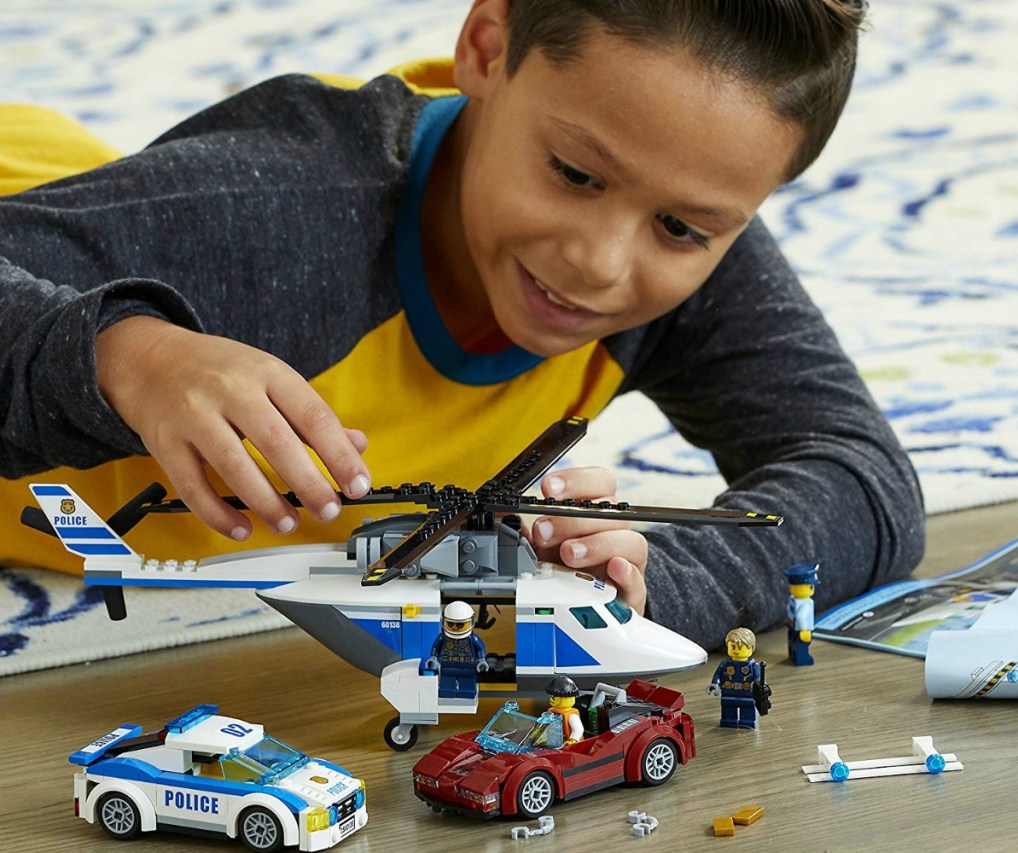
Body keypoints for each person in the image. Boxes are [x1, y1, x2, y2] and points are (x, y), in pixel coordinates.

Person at [0, 0, 924, 653]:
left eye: (684, 228)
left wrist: (648, 579)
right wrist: (129, 352)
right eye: (573, 172)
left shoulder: (673, 212)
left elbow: (864, 479)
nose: (600, 262)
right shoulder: (270, 217)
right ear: (487, 45)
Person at [422, 600, 489, 699]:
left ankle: (466, 698)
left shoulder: (472, 638)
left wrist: (481, 660)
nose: (454, 628)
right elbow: (435, 648)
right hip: (447, 668)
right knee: (446, 689)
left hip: (468, 669)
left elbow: (480, 649)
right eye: (450, 624)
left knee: (468, 690)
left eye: (460, 625)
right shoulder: (443, 637)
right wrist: (433, 658)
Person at [707, 627, 769, 729]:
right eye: (733, 647)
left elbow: (758, 678)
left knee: (748, 708)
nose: (736, 651)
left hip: (747, 694)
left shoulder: (753, 666)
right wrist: (715, 684)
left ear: (752, 647)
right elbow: (718, 675)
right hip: (728, 693)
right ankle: (729, 720)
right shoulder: (725, 664)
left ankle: (747, 721)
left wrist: (759, 686)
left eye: (740, 648)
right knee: (728, 708)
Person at [784, 563, 820, 666]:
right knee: (802, 646)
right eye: (811, 586)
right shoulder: (806, 603)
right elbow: (801, 616)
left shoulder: (792, 599)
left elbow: (789, 610)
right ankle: (802, 659)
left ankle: (792, 656)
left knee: (792, 643)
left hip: (791, 626)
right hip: (801, 630)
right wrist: (804, 630)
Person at [545, 675, 584, 746]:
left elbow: (578, 729)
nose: (552, 699)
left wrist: (572, 740)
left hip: (570, 745)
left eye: (554, 697)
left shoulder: (571, 715)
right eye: (551, 697)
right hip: (555, 741)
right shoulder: (551, 711)